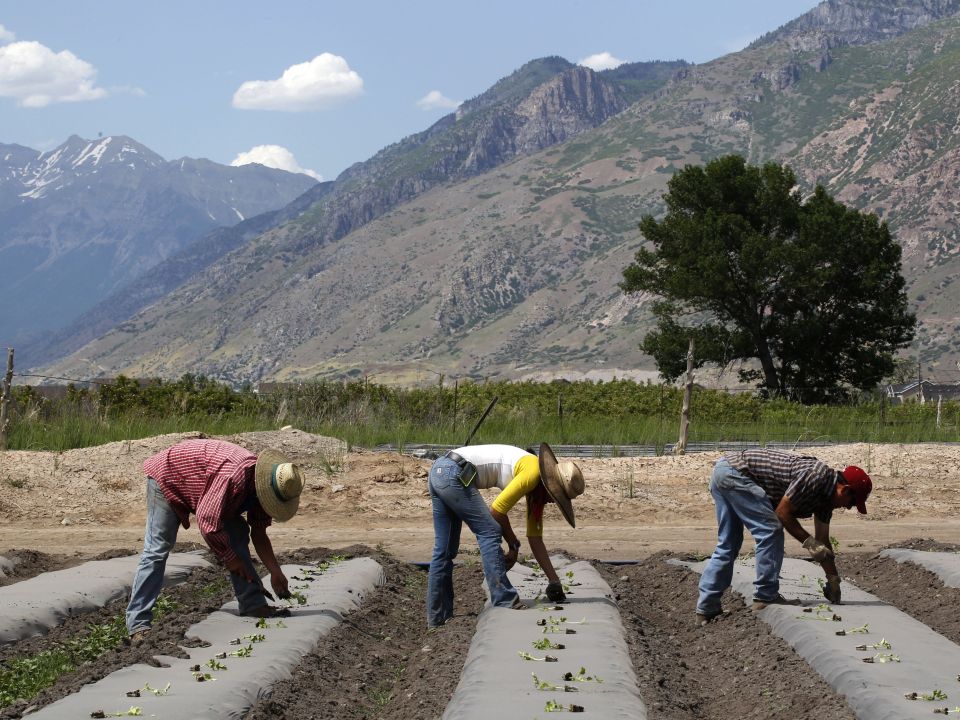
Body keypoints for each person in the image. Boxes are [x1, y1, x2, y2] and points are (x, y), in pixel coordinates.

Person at [125, 439, 305, 642]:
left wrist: (275, 571)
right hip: (169, 477)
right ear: (263, 486)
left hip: (203, 488)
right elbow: (207, 522)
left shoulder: (263, 492)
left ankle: (253, 605)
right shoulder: (232, 477)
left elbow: (259, 534)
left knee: (237, 534)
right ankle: (138, 624)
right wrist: (230, 559)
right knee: (157, 549)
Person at [696, 448, 872, 624]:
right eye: (851, 504)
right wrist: (810, 544)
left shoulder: (826, 502)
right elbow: (782, 512)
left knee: (729, 543)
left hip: (725, 471)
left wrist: (833, 579)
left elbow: (823, 542)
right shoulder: (816, 476)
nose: (848, 508)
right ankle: (765, 595)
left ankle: (707, 609)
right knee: (770, 531)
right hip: (736, 473)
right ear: (845, 490)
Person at [426, 442, 585, 628]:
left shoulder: (536, 492)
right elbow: (496, 511)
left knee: (444, 550)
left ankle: (437, 619)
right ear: (550, 485)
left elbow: (535, 539)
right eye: (556, 496)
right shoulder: (532, 472)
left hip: (440, 470)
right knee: (490, 531)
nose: (553, 501)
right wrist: (512, 543)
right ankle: (504, 599)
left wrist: (554, 581)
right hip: (452, 473)